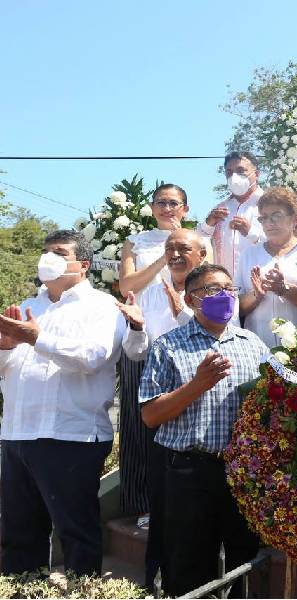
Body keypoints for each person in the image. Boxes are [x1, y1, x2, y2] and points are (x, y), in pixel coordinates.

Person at [0, 230, 126, 576]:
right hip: (17, 433)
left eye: (58, 252)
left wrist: (37, 338)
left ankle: (82, 592)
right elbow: (6, 368)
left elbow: (92, 357)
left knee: (76, 533)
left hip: (71, 436)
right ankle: (23, 591)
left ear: (83, 265)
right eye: (45, 251)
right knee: (19, 535)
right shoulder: (29, 304)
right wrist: (6, 346)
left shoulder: (102, 307)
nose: (47, 258)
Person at [138, 263, 267, 596]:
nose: (223, 295)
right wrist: (198, 384)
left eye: (228, 289)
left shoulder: (253, 344)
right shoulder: (168, 346)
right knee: (188, 565)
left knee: (245, 562)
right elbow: (150, 415)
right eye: (211, 290)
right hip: (189, 472)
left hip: (241, 472)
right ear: (190, 300)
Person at [116, 228, 212, 590]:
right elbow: (136, 351)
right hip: (160, 381)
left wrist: (184, 312)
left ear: (201, 254)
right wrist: (137, 327)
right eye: (169, 248)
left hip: (203, 396)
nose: (175, 254)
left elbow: (222, 336)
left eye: (183, 248)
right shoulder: (152, 288)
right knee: (156, 460)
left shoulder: (213, 290)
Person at [117, 183, 196, 520]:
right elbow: (126, 286)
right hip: (142, 336)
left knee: (182, 418)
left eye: (174, 203)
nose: (167, 208)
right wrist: (164, 258)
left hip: (184, 336)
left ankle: (181, 504)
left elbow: (206, 279)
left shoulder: (196, 240)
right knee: (138, 424)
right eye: (160, 202)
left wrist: (179, 248)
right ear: (151, 208)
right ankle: (142, 504)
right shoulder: (136, 241)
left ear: (185, 209)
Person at [236, 187, 297, 347]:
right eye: (263, 218)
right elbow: (236, 308)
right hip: (258, 350)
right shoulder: (248, 254)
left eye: (276, 216)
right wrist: (256, 294)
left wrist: (284, 289)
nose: (269, 223)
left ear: (295, 218)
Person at [198, 151, 265, 281]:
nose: (234, 177)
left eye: (241, 171)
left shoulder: (270, 204)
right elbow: (197, 242)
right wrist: (208, 224)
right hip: (225, 285)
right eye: (229, 172)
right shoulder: (220, 208)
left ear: (256, 174)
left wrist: (252, 233)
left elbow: (284, 243)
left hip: (260, 285)